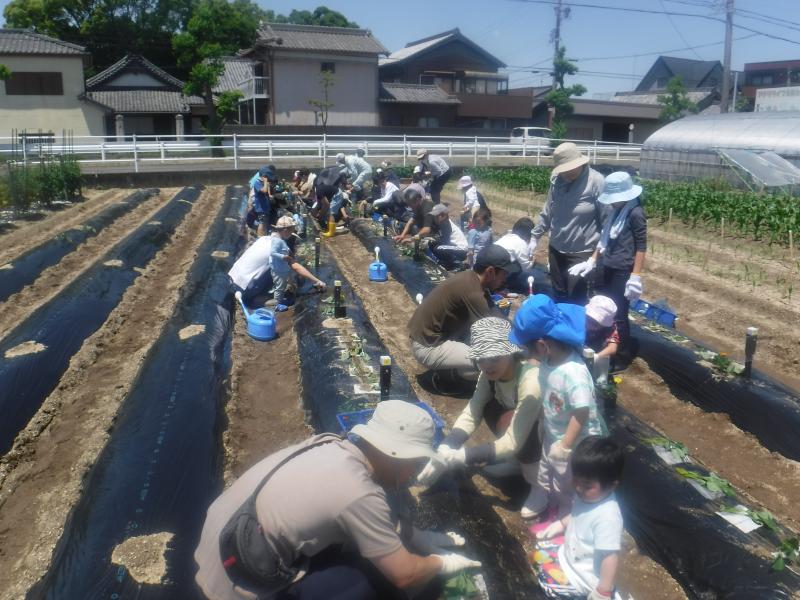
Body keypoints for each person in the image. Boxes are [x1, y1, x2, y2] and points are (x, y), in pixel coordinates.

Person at [194, 401, 482, 600]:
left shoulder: (328, 443)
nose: (414, 472)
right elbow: (404, 575)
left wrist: (416, 535)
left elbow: (354, 513)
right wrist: (441, 563)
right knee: (372, 579)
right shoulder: (359, 493)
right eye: (415, 462)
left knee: (353, 543)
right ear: (396, 455)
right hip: (238, 582)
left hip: (219, 540)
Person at [417, 317, 545, 518]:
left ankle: (539, 484)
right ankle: (518, 463)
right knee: (488, 408)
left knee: (510, 423)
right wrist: (446, 447)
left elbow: (513, 440)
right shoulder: (487, 376)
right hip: (518, 428)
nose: (487, 365)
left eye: (494, 357)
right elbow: (472, 411)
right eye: (481, 358)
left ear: (510, 351)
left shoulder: (530, 381)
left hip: (546, 436)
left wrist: (462, 457)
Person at [509, 294, 607, 518]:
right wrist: (545, 420)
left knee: (570, 481)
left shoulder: (573, 373)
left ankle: (570, 515)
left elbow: (582, 412)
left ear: (543, 346)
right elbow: (549, 395)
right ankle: (555, 503)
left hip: (576, 442)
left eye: (527, 348)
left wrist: (565, 446)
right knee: (551, 475)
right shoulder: (548, 361)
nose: (525, 353)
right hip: (555, 432)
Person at [408, 244, 519, 383]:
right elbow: (500, 332)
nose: (505, 278)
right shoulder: (473, 293)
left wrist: (517, 329)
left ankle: (453, 368)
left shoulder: (470, 277)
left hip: (428, 337)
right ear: (491, 272)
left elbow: (494, 311)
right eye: (504, 274)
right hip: (427, 347)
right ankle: (447, 379)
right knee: (493, 360)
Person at [568, 172, 647, 359]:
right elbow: (604, 239)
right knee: (601, 307)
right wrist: (592, 260)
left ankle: (622, 354)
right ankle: (602, 342)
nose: (611, 202)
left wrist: (635, 276)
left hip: (622, 269)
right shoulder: (616, 211)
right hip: (607, 264)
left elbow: (641, 246)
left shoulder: (636, 213)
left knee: (619, 313)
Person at [536, 436, 624, 600]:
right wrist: (561, 524)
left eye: (586, 485)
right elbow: (578, 514)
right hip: (570, 556)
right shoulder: (587, 496)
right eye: (575, 480)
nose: (578, 487)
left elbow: (609, 557)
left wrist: (603, 591)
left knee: (545, 581)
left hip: (583, 576)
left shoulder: (608, 517)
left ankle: (603, 595)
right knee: (540, 549)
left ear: (612, 485)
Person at [531, 143, 606, 304]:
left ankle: (575, 327)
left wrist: (594, 258)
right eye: (563, 169)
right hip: (557, 248)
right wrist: (535, 236)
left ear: (580, 163)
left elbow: (608, 223)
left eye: (570, 169)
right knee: (558, 293)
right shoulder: (557, 181)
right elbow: (548, 210)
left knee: (576, 298)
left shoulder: (596, 182)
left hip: (582, 251)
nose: (566, 173)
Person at [228, 216, 326, 309]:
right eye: (292, 230)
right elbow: (295, 266)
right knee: (288, 299)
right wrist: (317, 281)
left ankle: (256, 294)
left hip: (232, 280)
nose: (292, 233)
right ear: (285, 230)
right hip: (245, 290)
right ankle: (256, 300)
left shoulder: (264, 239)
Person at [496, 217, 536, 293]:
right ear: (528, 234)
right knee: (519, 265)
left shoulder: (507, 236)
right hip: (497, 269)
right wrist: (533, 260)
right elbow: (527, 269)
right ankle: (505, 285)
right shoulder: (521, 243)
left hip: (489, 260)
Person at [427, 204, 469, 270]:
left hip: (461, 248)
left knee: (438, 248)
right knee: (433, 244)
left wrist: (434, 241)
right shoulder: (442, 223)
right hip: (453, 245)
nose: (434, 218)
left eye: (436, 216)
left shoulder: (445, 224)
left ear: (444, 215)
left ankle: (456, 264)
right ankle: (446, 262)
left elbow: (445, 241)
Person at [584, 295, 619, 360]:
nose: (589, 325)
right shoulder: (579, 315)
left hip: (596, 350)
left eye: (595, 324)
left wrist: (595, 357)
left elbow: (612, 348)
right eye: (588, 319)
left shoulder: (611, 328)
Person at [247, 166, 278, 237]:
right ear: (264, 176)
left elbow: (267, 193)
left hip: (265, 208)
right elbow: (264, 191)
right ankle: (259, 238)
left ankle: (263, 235)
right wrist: (265, 181)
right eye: (267, 177)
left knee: (265, 223)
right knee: (262, 222)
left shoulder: (262, 183)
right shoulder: (257, 183)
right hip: (261, 208)